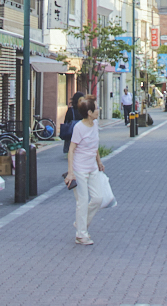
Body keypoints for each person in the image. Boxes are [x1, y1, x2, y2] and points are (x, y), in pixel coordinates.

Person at [64, 98, 107, 245]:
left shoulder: (94, 124)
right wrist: (71, 172)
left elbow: (94, 146)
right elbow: (71, 149)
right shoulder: (79, 128)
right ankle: (81, 235)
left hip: (92, 168)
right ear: (89, 113)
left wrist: (99, 162)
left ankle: (80, 223)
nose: (98, 110)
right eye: (96, 108)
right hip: (80, 169)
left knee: (98, 198)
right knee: (82, 201)